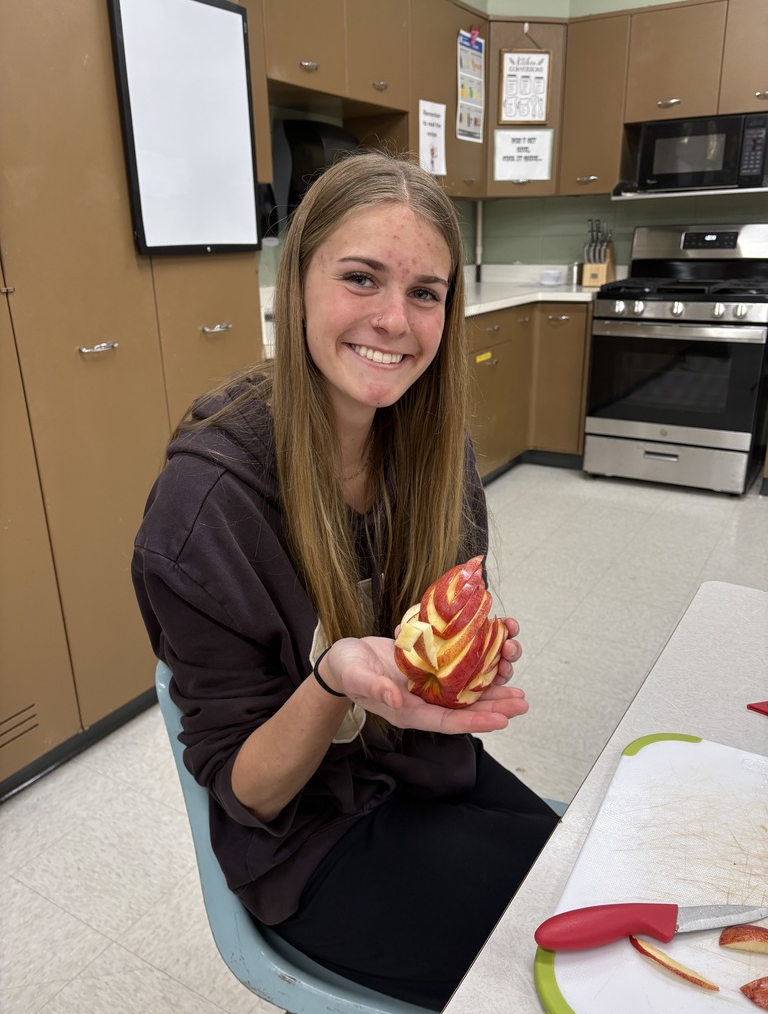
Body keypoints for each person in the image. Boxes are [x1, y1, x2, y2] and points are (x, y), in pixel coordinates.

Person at [132, 151, 558, 1011]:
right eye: (361, 278)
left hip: (420, 767)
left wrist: (459, 662)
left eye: (426, 293)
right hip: (308, 843)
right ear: (296, 286)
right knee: (570, 969)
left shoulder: (436, 453)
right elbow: (248, 792)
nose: (394, 320)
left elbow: (421, 654)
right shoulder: (207, 505)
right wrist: (333, 680)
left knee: (599, 874)